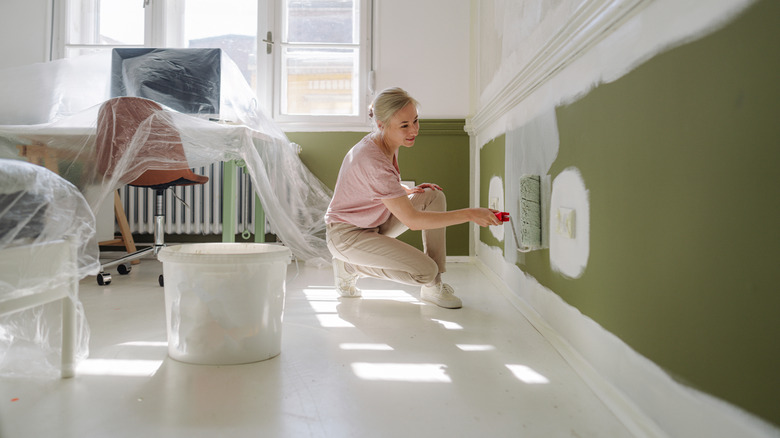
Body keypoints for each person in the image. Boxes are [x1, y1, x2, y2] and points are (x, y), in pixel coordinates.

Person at [324, 87, 501, 309]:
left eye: (415, 121)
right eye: (405, 126)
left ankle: (433, 286)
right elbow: (413, 221)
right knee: (425, 271)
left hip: (372, 223)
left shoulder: (384, 142)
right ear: (381, 125)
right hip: (347, 236)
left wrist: (403, 190)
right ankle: (349, 267)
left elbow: (369, 185)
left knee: (433, 196)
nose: (414, 130)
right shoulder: (372, 158)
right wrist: (470, 214)